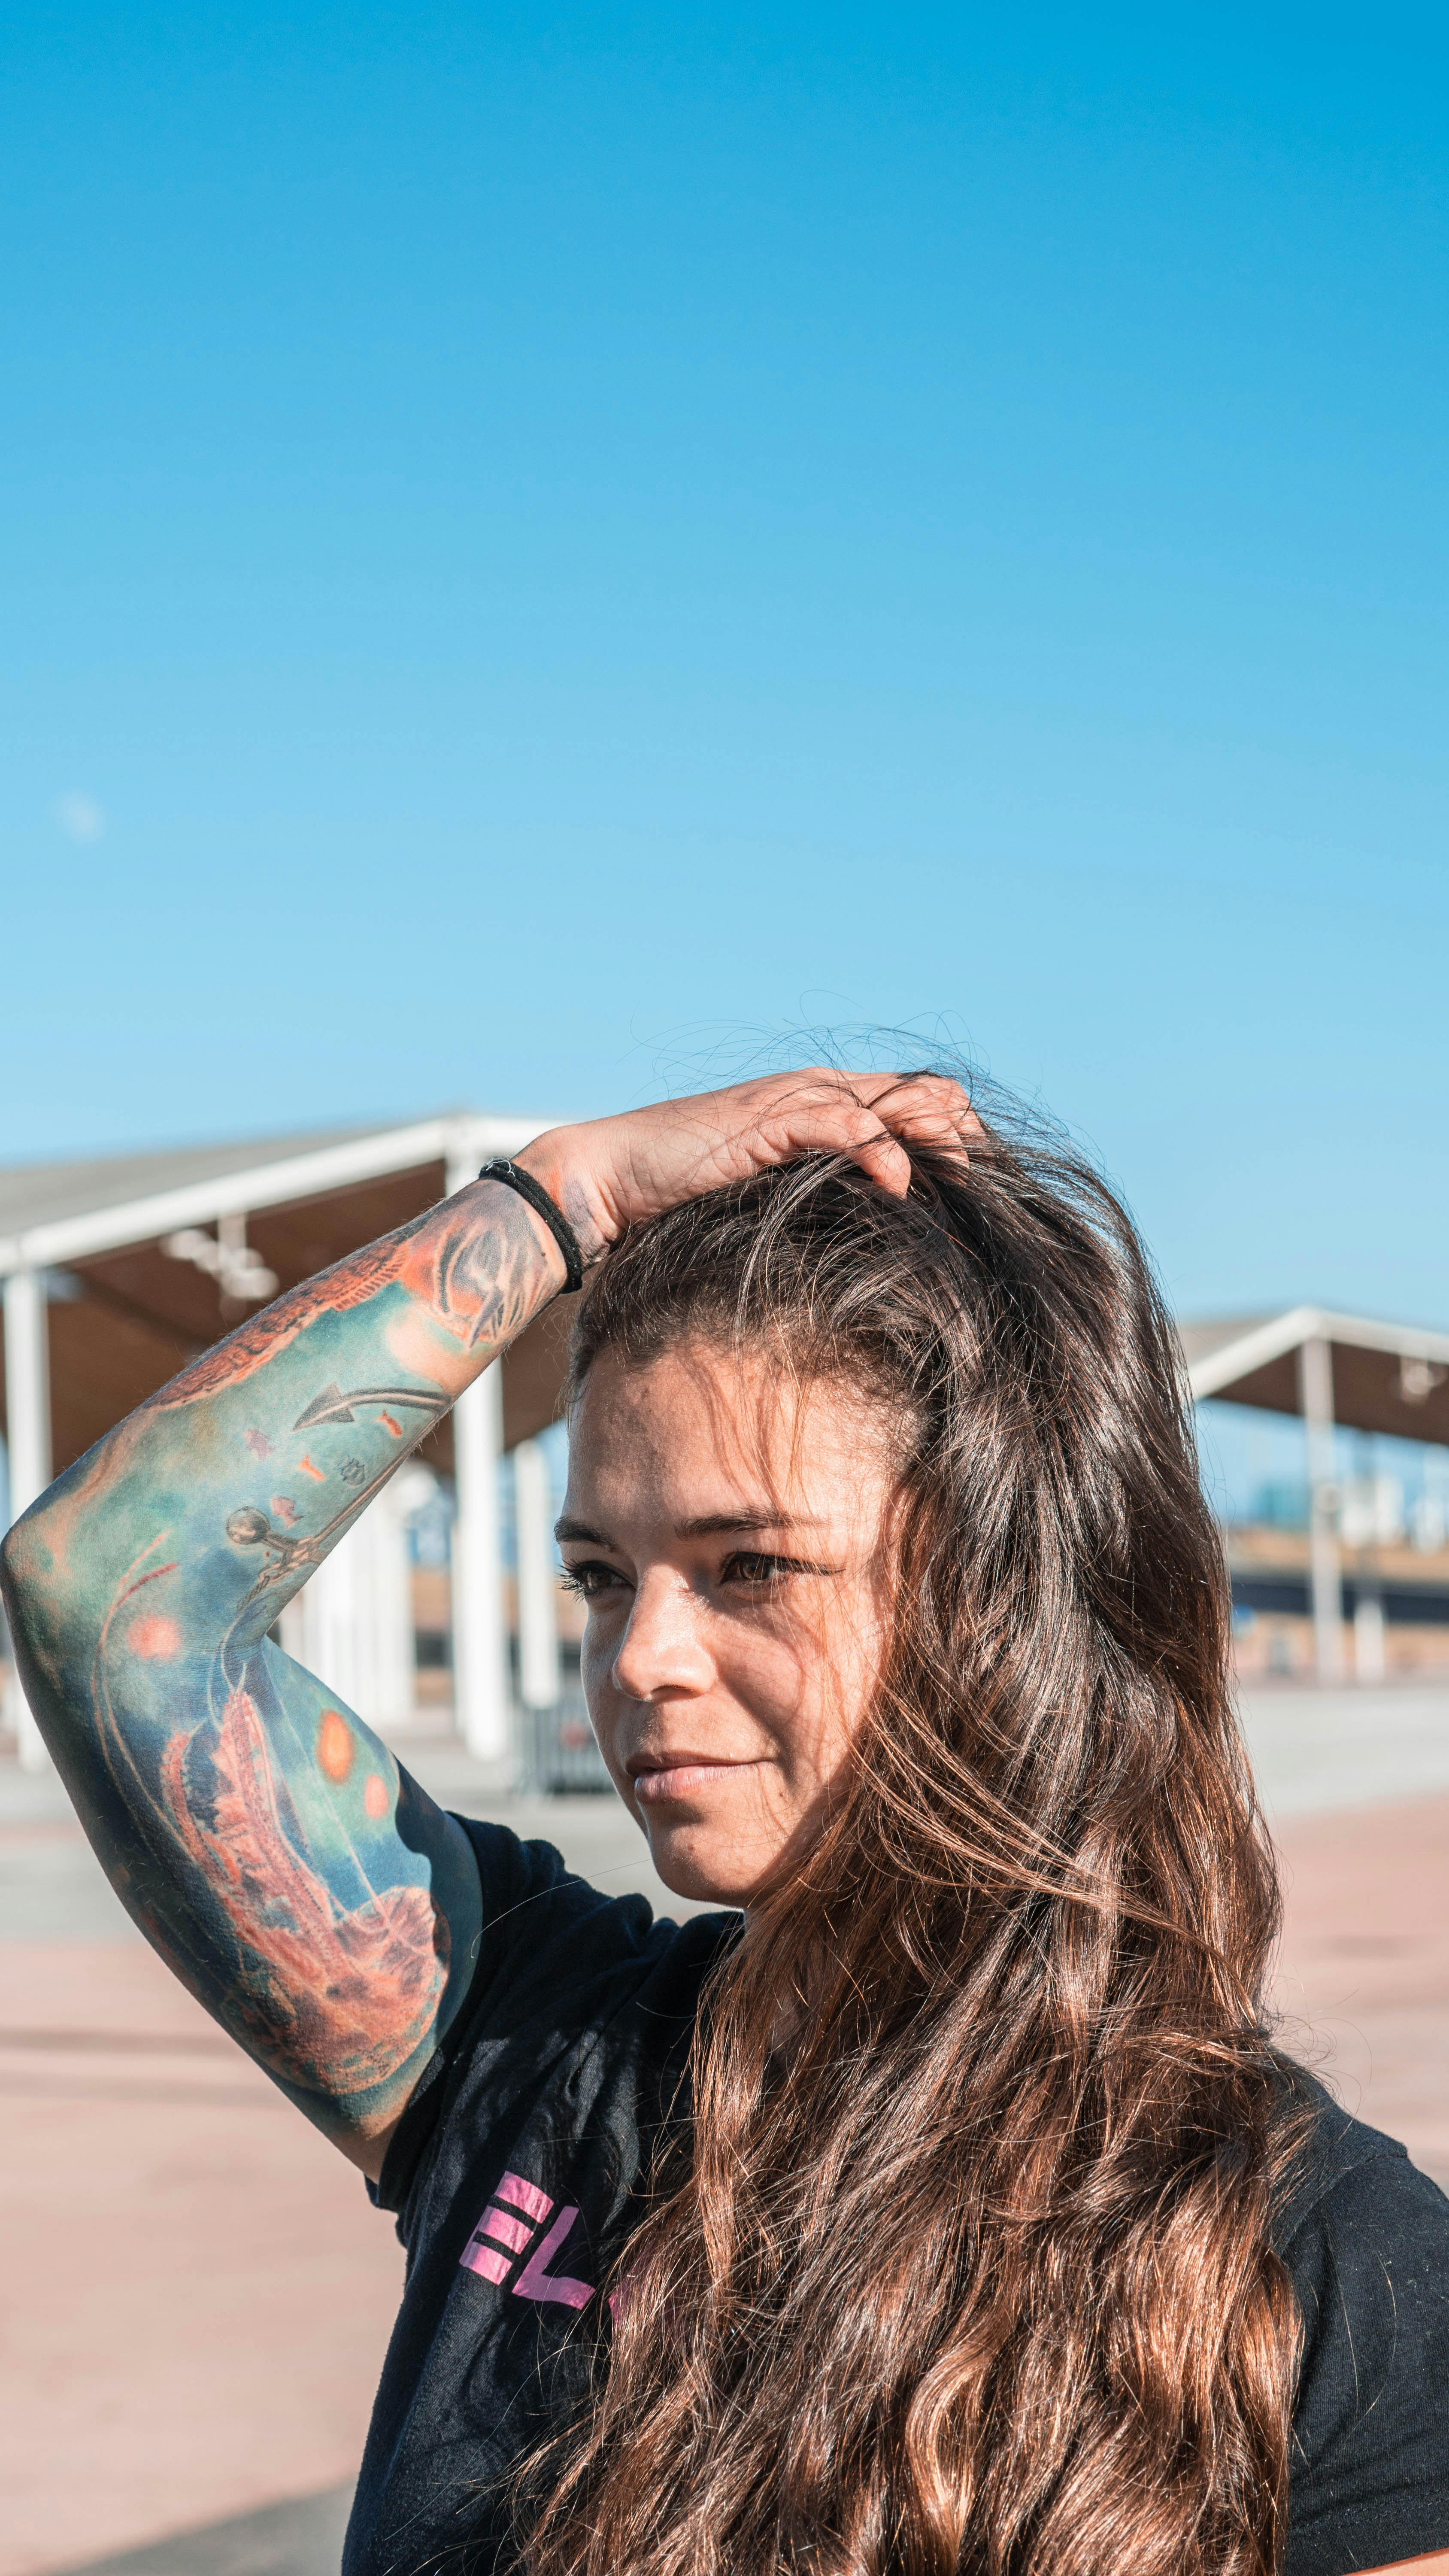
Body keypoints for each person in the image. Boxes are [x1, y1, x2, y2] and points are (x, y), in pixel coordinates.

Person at [3, 1069, 1446, 2576]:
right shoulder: (529, 2044)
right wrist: (564, 1196)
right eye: (601, 1576)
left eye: (748, 1565)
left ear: (1002, 1602)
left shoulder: (1325, 2264)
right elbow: (109, 1604)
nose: (638, 1658)